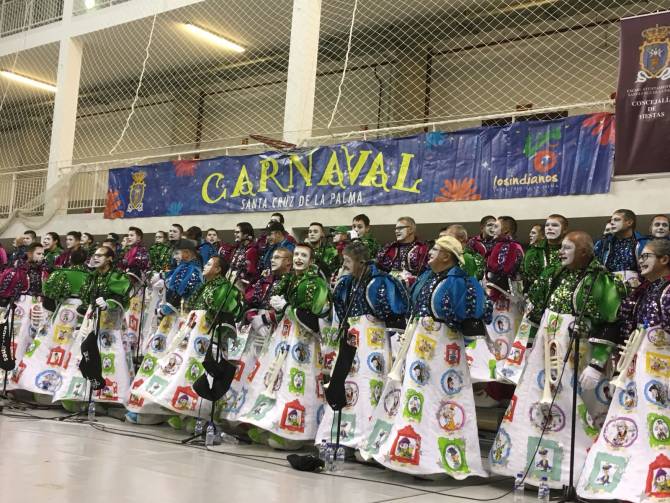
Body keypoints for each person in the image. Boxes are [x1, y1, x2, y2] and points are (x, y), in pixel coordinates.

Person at [489, 231, 623, 490]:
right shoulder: (555, 274)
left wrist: (597, 363)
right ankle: (523, 466)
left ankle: (569, 475)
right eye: (561, 247)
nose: (561, 252)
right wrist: (529, 344)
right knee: (534, 400)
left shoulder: (601, 280)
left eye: (567, 248)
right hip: (544, 350)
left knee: (571, 407)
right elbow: (536, 310)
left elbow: (610, 322)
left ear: (584, 252)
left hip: (576, 354)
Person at [361, 236, 490, 478]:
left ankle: (434, 459)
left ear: (447, 256)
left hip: (442, 350)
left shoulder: (458, 281)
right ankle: (409, 453)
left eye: (436, 249)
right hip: (419, 345)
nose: (430, 252)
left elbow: (468, 312)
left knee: (437, 398)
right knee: (415, 395)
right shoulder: (428, 277)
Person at [577, 239, 670, 502]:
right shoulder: (643, 290)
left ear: (664, 260)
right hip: (634, 368)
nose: (641, 260)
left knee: (655, 424)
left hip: (659, 373)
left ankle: (654, 483)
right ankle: (626, 480)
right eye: (641, 256)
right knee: (628, 422)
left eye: (647, 256)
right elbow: (626, 326)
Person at [316, 241, 408, 449]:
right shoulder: (346, 284)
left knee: (368, 386)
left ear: (361, 261)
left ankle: (367, 438)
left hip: (372, 343)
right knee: (345, 382)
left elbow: (392, 313)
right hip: (351, 340)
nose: (344, 265)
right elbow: (340, 311)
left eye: (348, 261)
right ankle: (341, 435)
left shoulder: (380, 282)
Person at [239, 243, 330, 450]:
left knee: (294, 381)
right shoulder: (289, 280)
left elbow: (315, 319)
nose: (299, 258)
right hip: (283, 336)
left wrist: (287, 307)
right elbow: (281, 311)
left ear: (311, 261)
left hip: (302, 341)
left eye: (304, 255)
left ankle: (293, 432)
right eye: (296, 254)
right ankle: (269, 422)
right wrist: (276, 311)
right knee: (274, 378)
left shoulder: (316, 284)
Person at [134, 255, 241, 427]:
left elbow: (225, 312)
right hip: (191, 332)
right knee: (177, 368)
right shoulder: (205, 285)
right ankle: (173, 410)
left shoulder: (225, 287)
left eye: (209, 264)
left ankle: (197, 415)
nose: (205, 266)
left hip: (206, 336)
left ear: (218, 269)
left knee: (197, 371)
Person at [219, 247, 294, 423]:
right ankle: (234, 415)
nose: (273, 260)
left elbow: (289, 308)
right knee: (246, 368)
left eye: (278, 257)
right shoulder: (264, 280)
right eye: (273, 257)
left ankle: (255, 415)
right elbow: (249, 302)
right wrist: (253, 318)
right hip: (255, 331)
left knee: (265, 371)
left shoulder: (291, 282)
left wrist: (268, 318)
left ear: (288, 262)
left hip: (276, 333)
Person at [53, 246, 132, 406]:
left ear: (109, 259)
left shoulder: (117, 276)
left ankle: (108, 398)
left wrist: (108, 304)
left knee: (109, 353)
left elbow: (122, 298)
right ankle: (78, 394)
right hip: (91, 318)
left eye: (100, 255)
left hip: (109, 322)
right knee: (84, 351)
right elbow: (86, 299)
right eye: (94, 255)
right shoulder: (92, 276)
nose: (95, 258)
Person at [15, 248, 89, 396]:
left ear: (70, 259)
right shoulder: (90, 276)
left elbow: (49, 292)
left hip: (63, 310)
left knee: (50, 343)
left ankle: (34, 381)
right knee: (73, 346)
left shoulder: (61, 273)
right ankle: (66, 388)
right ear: (86, 260)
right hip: (82, 313)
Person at [468, 216, 524, 388]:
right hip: (496, 300)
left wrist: (490, 296)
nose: (493, 229)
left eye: (497, 226)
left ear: (506, 230)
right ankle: (493, 377)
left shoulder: (510, 247)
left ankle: (502, 379)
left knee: (502, 338)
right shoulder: (500, 245)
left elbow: (502, 272)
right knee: (494, 338)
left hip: (503, 302)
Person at [0, 242, 47, 387]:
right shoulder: (18, 270)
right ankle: (5, 379)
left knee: (31, 342)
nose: (42, 256)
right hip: (20, 307)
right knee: (15, 341)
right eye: (38, 253)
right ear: (29, 254)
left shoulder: (43, 271)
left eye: (43, 254)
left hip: (36, 308)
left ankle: (20, 380)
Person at [118, 227, 150, 358]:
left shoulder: (142, 251)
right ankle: (125, 344)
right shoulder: (127, 251)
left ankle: (135, 346)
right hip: (126, 288)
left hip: (137, 289)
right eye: (128, 235)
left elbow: (142, 267)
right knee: (126, 314)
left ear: (139, 238)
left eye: (132, 235)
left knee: (135, 315)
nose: (129, 237)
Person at [376, 216, 429, 287]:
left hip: (415, 288)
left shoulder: (422, 249)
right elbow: (379, 269)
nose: (396, 231)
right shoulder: (388, 249)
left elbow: (427, 274)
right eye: (395, 229)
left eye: (400, 228)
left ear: (411, 229)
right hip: (390, 287)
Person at [595, 209, 642, 288]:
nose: (612, 223)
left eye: (616, 220)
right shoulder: (605, 243)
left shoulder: (641, 243)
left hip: (636, 288)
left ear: (629, 222)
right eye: (612, 220)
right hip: (609, 288)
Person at [522, 215, 569, 290]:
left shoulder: (571, 250)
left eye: (555, 225)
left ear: (565, 230)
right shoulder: (534, 250)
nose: (549, 228)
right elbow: (527, 276)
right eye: (547, 225)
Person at [219, 222, 259, 289]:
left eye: (237, 232)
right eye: (235, 232)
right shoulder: (237, 248)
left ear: (246, 234)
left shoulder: (251, 250)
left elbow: (250, 273)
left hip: (242, 288)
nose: (235, 234)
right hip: (230, 285)